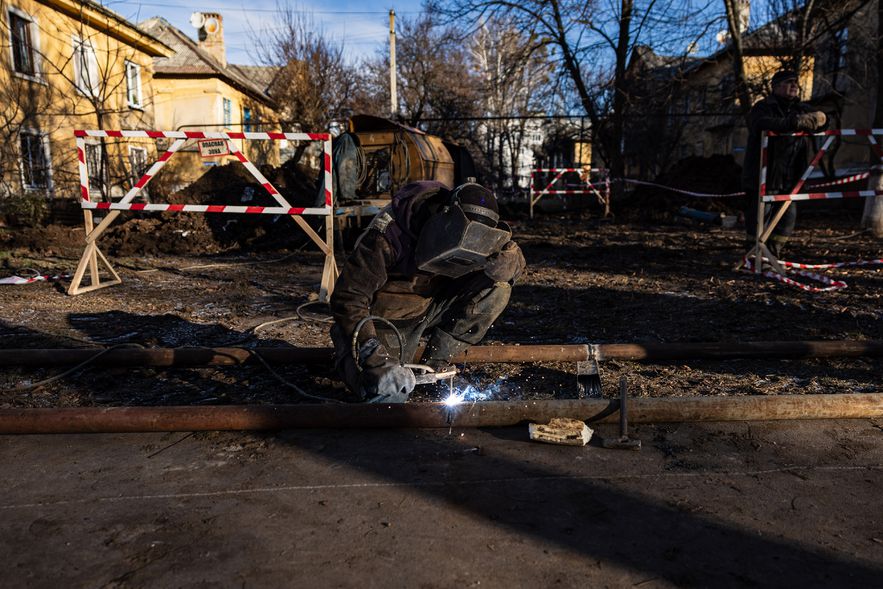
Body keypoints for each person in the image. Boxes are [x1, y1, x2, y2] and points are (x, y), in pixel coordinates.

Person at [329, 180, 526, 403]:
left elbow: (508, 265)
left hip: (432, 307)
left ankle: (435, 367)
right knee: (387, 392)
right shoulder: (388, 235)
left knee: (498, 287)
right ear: (443, 218)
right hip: (387, 320)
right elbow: (348, 297)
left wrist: (512, 265)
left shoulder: (479, 235)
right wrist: (371, 353)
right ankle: (352, 360)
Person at [741, 69, 828, 257]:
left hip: (791, 176)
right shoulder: (762, 107)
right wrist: (795, 123)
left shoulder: (802, 108)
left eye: (796, 83)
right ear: (776, 87)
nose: (794, 86)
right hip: (763, 175)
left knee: (787, 219)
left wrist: (820, 118)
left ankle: (773, 254)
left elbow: (823, 122)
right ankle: (754, 256)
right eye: (789, 83)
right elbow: (761, 124)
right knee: (759, 219)